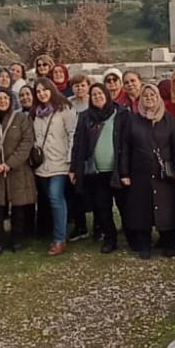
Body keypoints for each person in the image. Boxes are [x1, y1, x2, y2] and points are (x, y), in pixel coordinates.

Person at [118, 83, 175, 258]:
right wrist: (124, 173)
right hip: (140, 173)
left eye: (152, 96)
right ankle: (144, 245)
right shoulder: (133, 120)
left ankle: (169, 244)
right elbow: (125, 147)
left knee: (166, 208)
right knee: (142, 209)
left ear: (158, 98)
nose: (149, 99)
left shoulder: (169, 119)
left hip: (164, 173)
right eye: (146, 96)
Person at [0, 89, 36, 255]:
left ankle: (17, 240)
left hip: (17, 170)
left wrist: (10, 163)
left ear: (10, 100)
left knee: (18, 208)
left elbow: (27, 142)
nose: (2, 101)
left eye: (5, 98)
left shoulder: (21, 119)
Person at [69, 83, 124, 253]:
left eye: (100, 93)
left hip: (118, 170)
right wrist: (73, 168)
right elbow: (78, 144)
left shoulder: (121, 114)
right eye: (94, 95)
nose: (97, 97)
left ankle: (132, 235)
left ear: (107, 95)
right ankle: (110, 238)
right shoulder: (86, 117)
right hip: (97, 171)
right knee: (102, 207)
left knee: (125, 205)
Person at [31, 77, 78, 255]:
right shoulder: (36, 112)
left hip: (60, 161)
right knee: (52, 199)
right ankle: (58, 232)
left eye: (45, 90)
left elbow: (72, 134)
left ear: (51, 89)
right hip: (42, 163)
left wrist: (71, 161)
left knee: (55, 197)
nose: (42, 94)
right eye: (39, 91)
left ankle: (59, 239)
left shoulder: (65, 109)